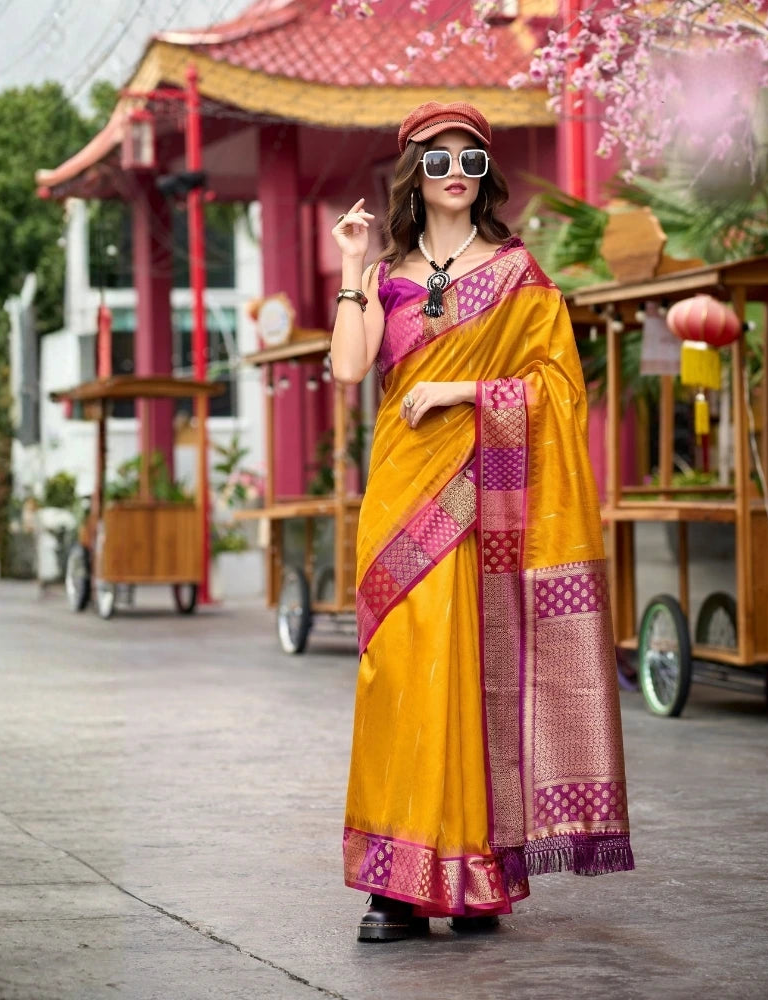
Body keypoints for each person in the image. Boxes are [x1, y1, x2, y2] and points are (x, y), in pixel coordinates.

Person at [330, 101, 633, 943]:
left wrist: (465, 391)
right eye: (437, 161)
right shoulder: (385, 272)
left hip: (480, 492)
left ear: (487, 174)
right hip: (399, 494)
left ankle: (474, 875)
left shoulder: (519, 276)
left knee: (471, 670)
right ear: (414, 177)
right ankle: (395, 885)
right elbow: (352, 366)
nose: (454, 173)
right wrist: (353, 265)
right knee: (399, 675)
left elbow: (562, 393)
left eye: (469, 160)